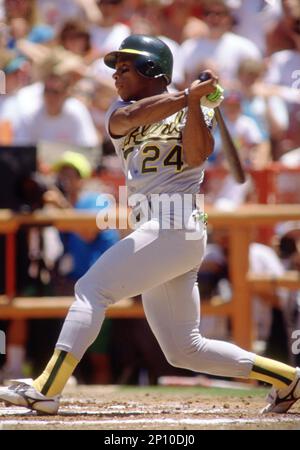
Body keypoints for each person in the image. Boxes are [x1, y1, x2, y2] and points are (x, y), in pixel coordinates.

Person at [0, 34, 299, 416]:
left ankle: (46, 387)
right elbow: (128, 121)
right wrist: (187, 96)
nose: (116, 77)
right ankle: (289, 378)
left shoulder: (195, 108)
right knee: (183, 349)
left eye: (125, 68)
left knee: (91, 288)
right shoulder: (121, 109)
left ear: (152, 70)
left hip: (178, 225)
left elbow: (197, 154)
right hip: (160, 229)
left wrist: (194, 104)